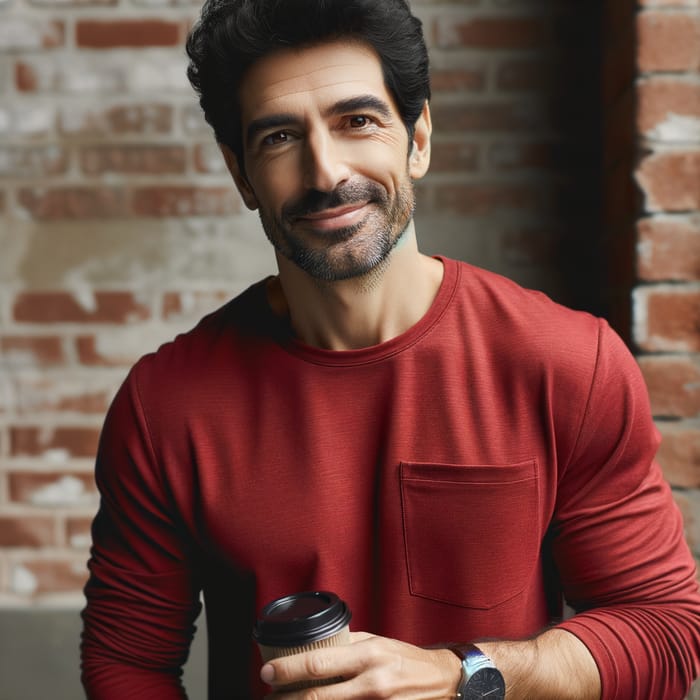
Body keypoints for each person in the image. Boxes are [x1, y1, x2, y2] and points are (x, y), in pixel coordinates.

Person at [79, 0, 700, 697]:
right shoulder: (166, 403)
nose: (325, 171)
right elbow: (129, 665)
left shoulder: (567, 362)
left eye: (358, 121)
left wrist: (464, 672)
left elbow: (665, 631)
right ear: (242, 174)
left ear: (419, 138)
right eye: (280, 137)